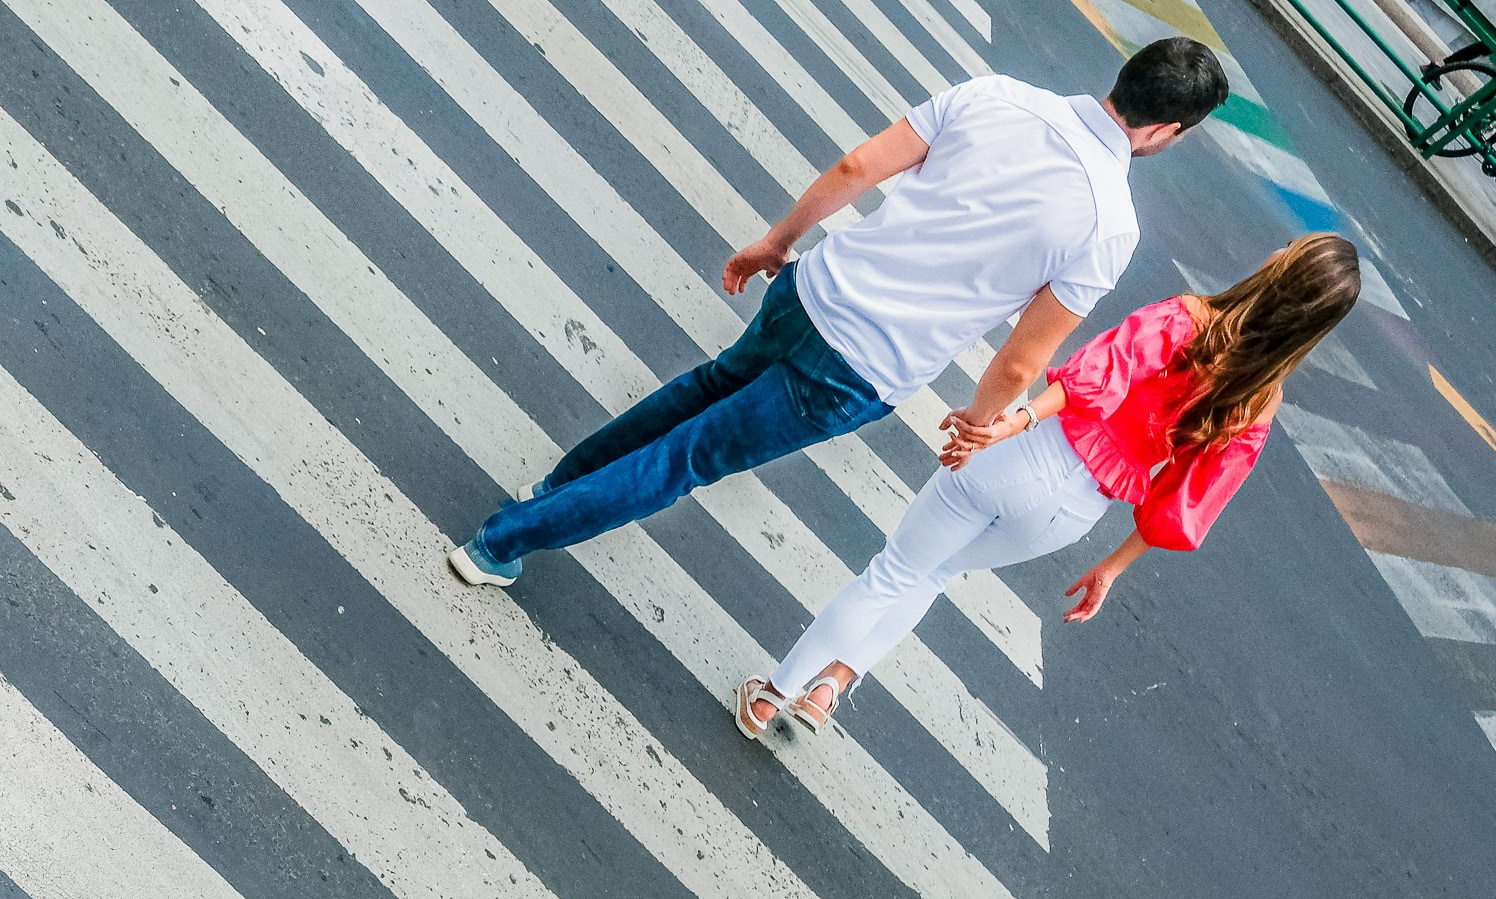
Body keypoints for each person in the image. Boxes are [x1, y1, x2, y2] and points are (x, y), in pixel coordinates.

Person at [448, 38, 1229, 589]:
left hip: (813, 289)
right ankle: (501, 543)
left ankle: (553, 492)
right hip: (864, 370)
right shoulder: (1109, 226)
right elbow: (1023, 359)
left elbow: (858, 165)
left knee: (698, 393)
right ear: (1165, 131)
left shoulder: (999, 95)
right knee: (687, 460)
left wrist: (776, 241)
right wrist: (981, 426)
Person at [735, 233, 1361, 738]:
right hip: (1075, 513)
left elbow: (1096, 377)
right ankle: (831, 684)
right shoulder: (1257, 404)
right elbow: (1183, 504)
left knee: (893, 572)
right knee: (932, 577)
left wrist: (1007, 423)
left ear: (1282, 269)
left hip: (1034, 451)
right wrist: (1112, 568)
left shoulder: (1186, 318)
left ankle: (771, 696)